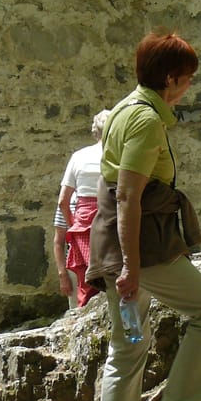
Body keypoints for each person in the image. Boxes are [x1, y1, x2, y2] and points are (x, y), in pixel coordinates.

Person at [86, 30, 201, 401]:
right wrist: (132, 268)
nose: (190, 83)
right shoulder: (145, 120)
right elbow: (129, 195)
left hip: (115, 243)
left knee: (128, 346)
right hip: (144, 247)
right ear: (170, 79)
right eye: (188, 76)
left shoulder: (122, 109)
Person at [58, 108, 111, 307]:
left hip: (84, 223)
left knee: (87, 283)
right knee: (116, 279)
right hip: (112, 218)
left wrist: (74, 224)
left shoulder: (78, 157)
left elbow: (63, 201)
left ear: (95, 131)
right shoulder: (120, 156)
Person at [52, 205, 76, 307]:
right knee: (76, 313)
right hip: (74, 267)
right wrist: (63, 275)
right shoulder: (67, 202)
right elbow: (58, 242)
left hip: (101, 265)